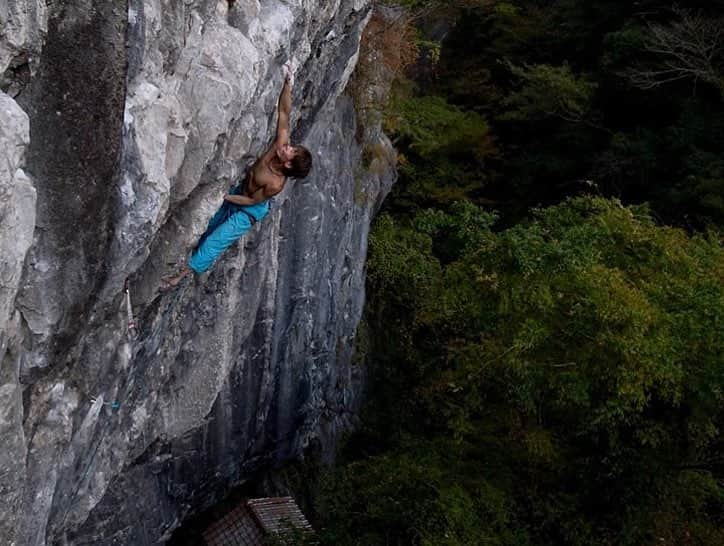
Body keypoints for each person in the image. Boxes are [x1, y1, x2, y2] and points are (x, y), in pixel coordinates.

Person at [162, 62, 312, 289]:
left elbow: (251, 201)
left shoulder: (275, 185)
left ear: (288, 165)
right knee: (208, 224)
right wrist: (288, 83)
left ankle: (180, 276)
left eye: (291, 152)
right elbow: (284, 112)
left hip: (250, 209)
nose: (288, 147)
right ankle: (180, 261)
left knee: (216, 239)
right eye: (292, 147)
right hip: (241, 191)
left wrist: (224, 197)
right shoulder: (279, 144)